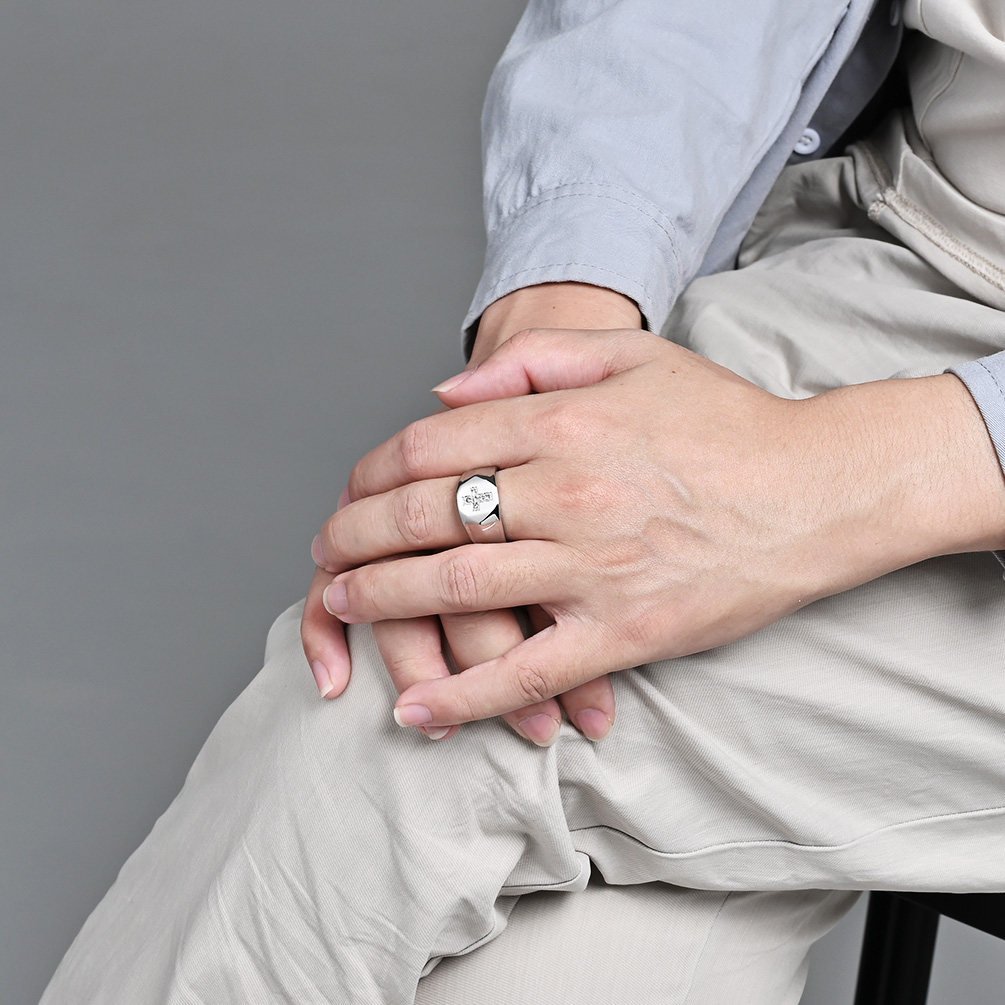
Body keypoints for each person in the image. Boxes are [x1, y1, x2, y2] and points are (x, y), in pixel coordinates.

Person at [41, 0, 1005, 1001]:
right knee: (554, 959)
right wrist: (562, 329)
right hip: (892, 255)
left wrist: (818, 479)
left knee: (414, 722)